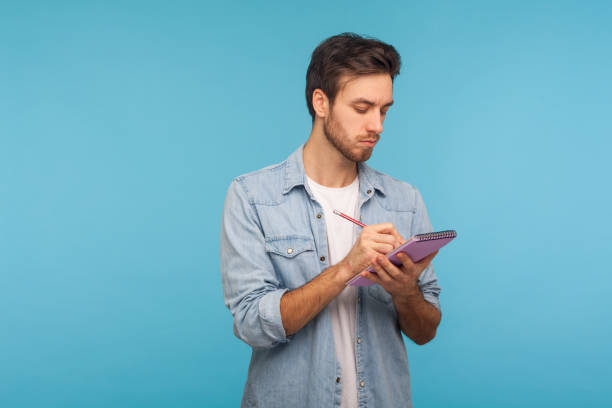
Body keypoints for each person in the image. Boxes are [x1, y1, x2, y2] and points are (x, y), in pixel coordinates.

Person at [220, 33, 442, 408]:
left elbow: (425, 332)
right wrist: (345, 269)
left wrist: (405, 291)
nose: (377, 125)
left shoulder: (405, 201)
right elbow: (251, 325)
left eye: (384, 110)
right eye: (362, 108)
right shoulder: (252, 197)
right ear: (320, 102)